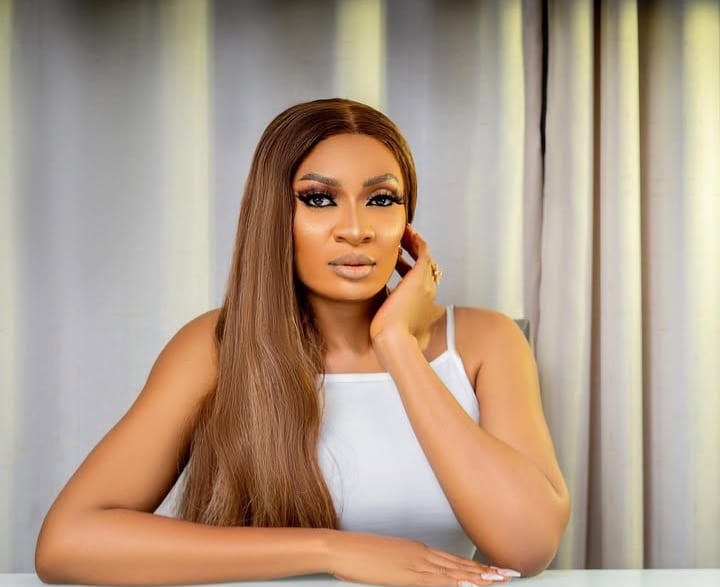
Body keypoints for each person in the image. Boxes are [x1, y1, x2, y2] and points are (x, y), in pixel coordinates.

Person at [34, 98, 570, 586]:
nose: (355, 229)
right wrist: (333, 550)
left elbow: (527, 546)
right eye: (319, 199)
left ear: (407, 223)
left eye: (381, 199)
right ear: (274, 216)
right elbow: (67, 543)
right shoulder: (214, 347)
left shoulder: (484, 343)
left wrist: (398, 346)